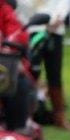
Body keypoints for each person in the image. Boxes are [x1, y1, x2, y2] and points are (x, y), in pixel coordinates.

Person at [19, 0, 70, 129]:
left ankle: (59, 116)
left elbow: (65, 3)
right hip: (32, 29)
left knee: (55, 74)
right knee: (30, 73)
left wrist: (55, 19)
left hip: (55, 30)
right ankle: (27, 116)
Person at [0, 1, 34, 132]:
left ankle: (17, 129)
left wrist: (11, 49)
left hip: (3, 66)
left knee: (19, 81)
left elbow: (18, 34)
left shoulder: (4, 9)